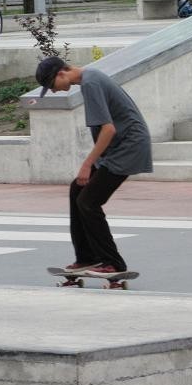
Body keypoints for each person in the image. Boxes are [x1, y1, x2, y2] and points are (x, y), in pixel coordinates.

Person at [35, 57, 153, 278]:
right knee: (77, 190)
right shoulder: (90, 79)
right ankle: (87, 257)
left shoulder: (90, 83)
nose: (53, 91)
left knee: (88, 201)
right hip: (120, 147)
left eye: (51, 86)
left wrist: (87, 164)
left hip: (129, 147)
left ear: (61, 73)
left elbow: (108, 130)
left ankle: (113, 263)